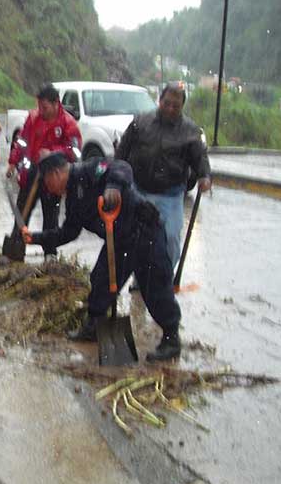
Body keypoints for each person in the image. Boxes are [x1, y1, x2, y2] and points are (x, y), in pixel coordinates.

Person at [22, 153, 182, 362]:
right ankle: (93, 327)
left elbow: (121, 166)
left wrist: (113, 187)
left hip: (145, 232)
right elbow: (68, 233)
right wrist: (34, 238)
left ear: (57, 173)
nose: (47, 188)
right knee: (100, 280)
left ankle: (171, 339)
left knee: (155, 288)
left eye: (46, 182)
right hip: (118, 239)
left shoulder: (90, 169)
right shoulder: (72, 199)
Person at [115, 82, 212, 271]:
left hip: (171, 195)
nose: (170, 109)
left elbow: (200, 156)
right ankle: (140, 277)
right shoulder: (140, 122)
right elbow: (122, 151)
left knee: (171, 238)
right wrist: (116, 178)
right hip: (139, 190)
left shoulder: (190, 131)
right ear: (160, 100)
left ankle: (163, 278)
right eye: (166, 103)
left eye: (175, 106)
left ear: (182, 106)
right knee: (136, 238)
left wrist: (204, 176)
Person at [7, 83, 82, 255]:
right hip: (31, 174)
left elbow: (75, 152)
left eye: (45, 107)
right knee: (21, 214)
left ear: (56, 103)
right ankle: (15, 251)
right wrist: (13, 161)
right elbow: (22, 141)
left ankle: (50, 256)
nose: (41, 110)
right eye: (39, 106)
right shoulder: (33, 118)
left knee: (51, 219)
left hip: (52, 179)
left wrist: (53, 152)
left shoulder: (68, 123)